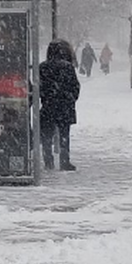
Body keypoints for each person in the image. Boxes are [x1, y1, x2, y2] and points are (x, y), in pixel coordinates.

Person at [39, 39, 80, 171]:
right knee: (64, 135)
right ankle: (64, 161)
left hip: (48, 106)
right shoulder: (68, 67)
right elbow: (75, 86)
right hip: (64, 106)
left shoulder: (42, 67)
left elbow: (38, 87)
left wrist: (46, 97)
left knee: (46, 136)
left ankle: (48, 161)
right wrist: (71, 98)